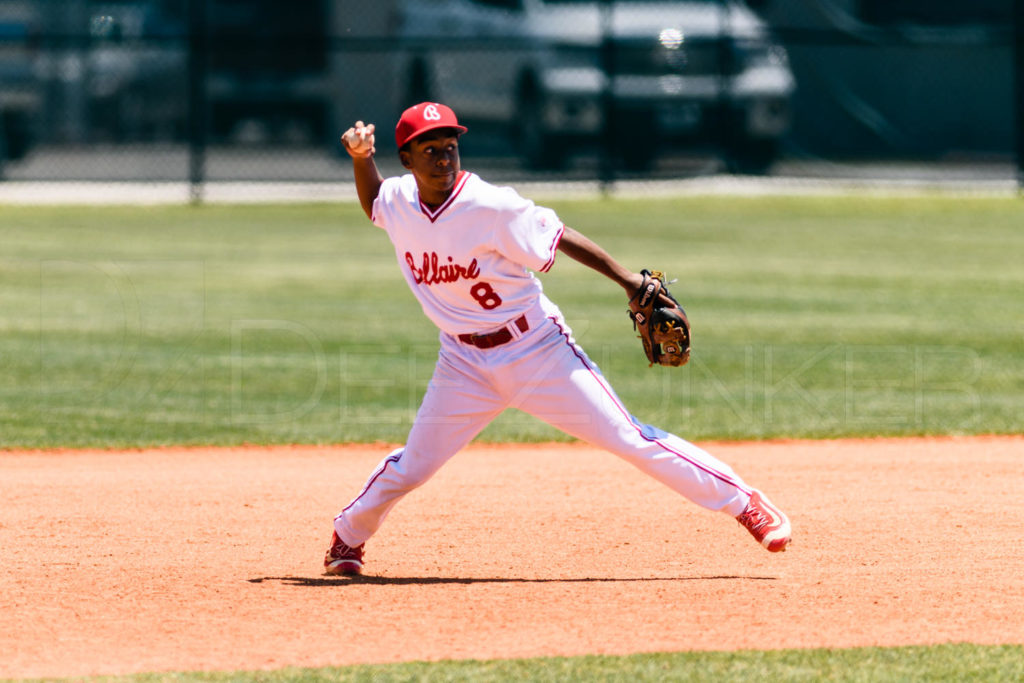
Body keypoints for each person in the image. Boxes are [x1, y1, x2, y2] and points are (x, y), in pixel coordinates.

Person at [325, 102, 791, 575]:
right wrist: (362, 159)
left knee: (629, 437)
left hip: (536, 350)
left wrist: (630, 282)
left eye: (451, 148)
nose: (445, 159)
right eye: (431, 150)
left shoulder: (491, 204)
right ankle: (347, 538)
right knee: (413, 467)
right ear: (407, 159)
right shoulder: (401, 199)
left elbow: (560, 236)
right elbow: (375, 204)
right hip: (462, 362)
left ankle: (745, 503)